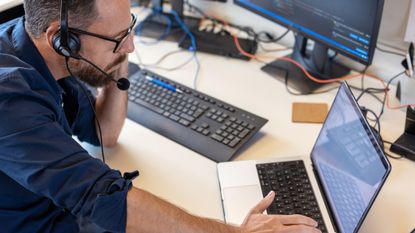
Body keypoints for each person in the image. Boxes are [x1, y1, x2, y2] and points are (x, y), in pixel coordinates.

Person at [0, 0, 322, 232]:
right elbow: (102, 198)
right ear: (62, 39)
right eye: (118, 38)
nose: (131, 45)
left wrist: (116, 52)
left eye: (130, 29)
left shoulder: (47, 53)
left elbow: (105, 133)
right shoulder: (8, 97)